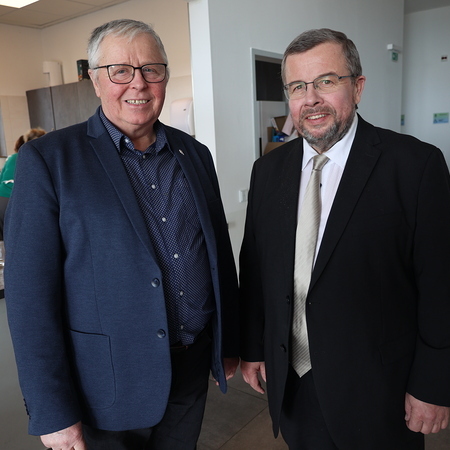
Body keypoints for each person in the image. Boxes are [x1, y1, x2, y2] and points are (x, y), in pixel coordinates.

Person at [5, 19, 239, 450]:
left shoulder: (195, 153)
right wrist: (52, 409)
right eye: (120, 71)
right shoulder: (48, 160)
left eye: (151, 69)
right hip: (104, 387)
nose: (139, 83)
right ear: (95, 80)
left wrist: (226, 342)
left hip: (189, 373)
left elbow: (217, 255)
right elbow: (29, 299)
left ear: (164, 76)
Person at [239, 28, 450, 450]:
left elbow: (441, 286)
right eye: (298, 86)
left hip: (380, 391)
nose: (311, 99)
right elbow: (256, 269)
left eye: (326, 81)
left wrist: (434, 383)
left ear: (358, 87)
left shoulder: (415, 165)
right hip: (294, 385)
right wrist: (253, 348)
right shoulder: (268, 171)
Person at [0, 127, 45, 240]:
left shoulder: (12, 157)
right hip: (18, 201)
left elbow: (1, 179)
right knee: (19, 238)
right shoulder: (40, 156)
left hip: (1, 199)